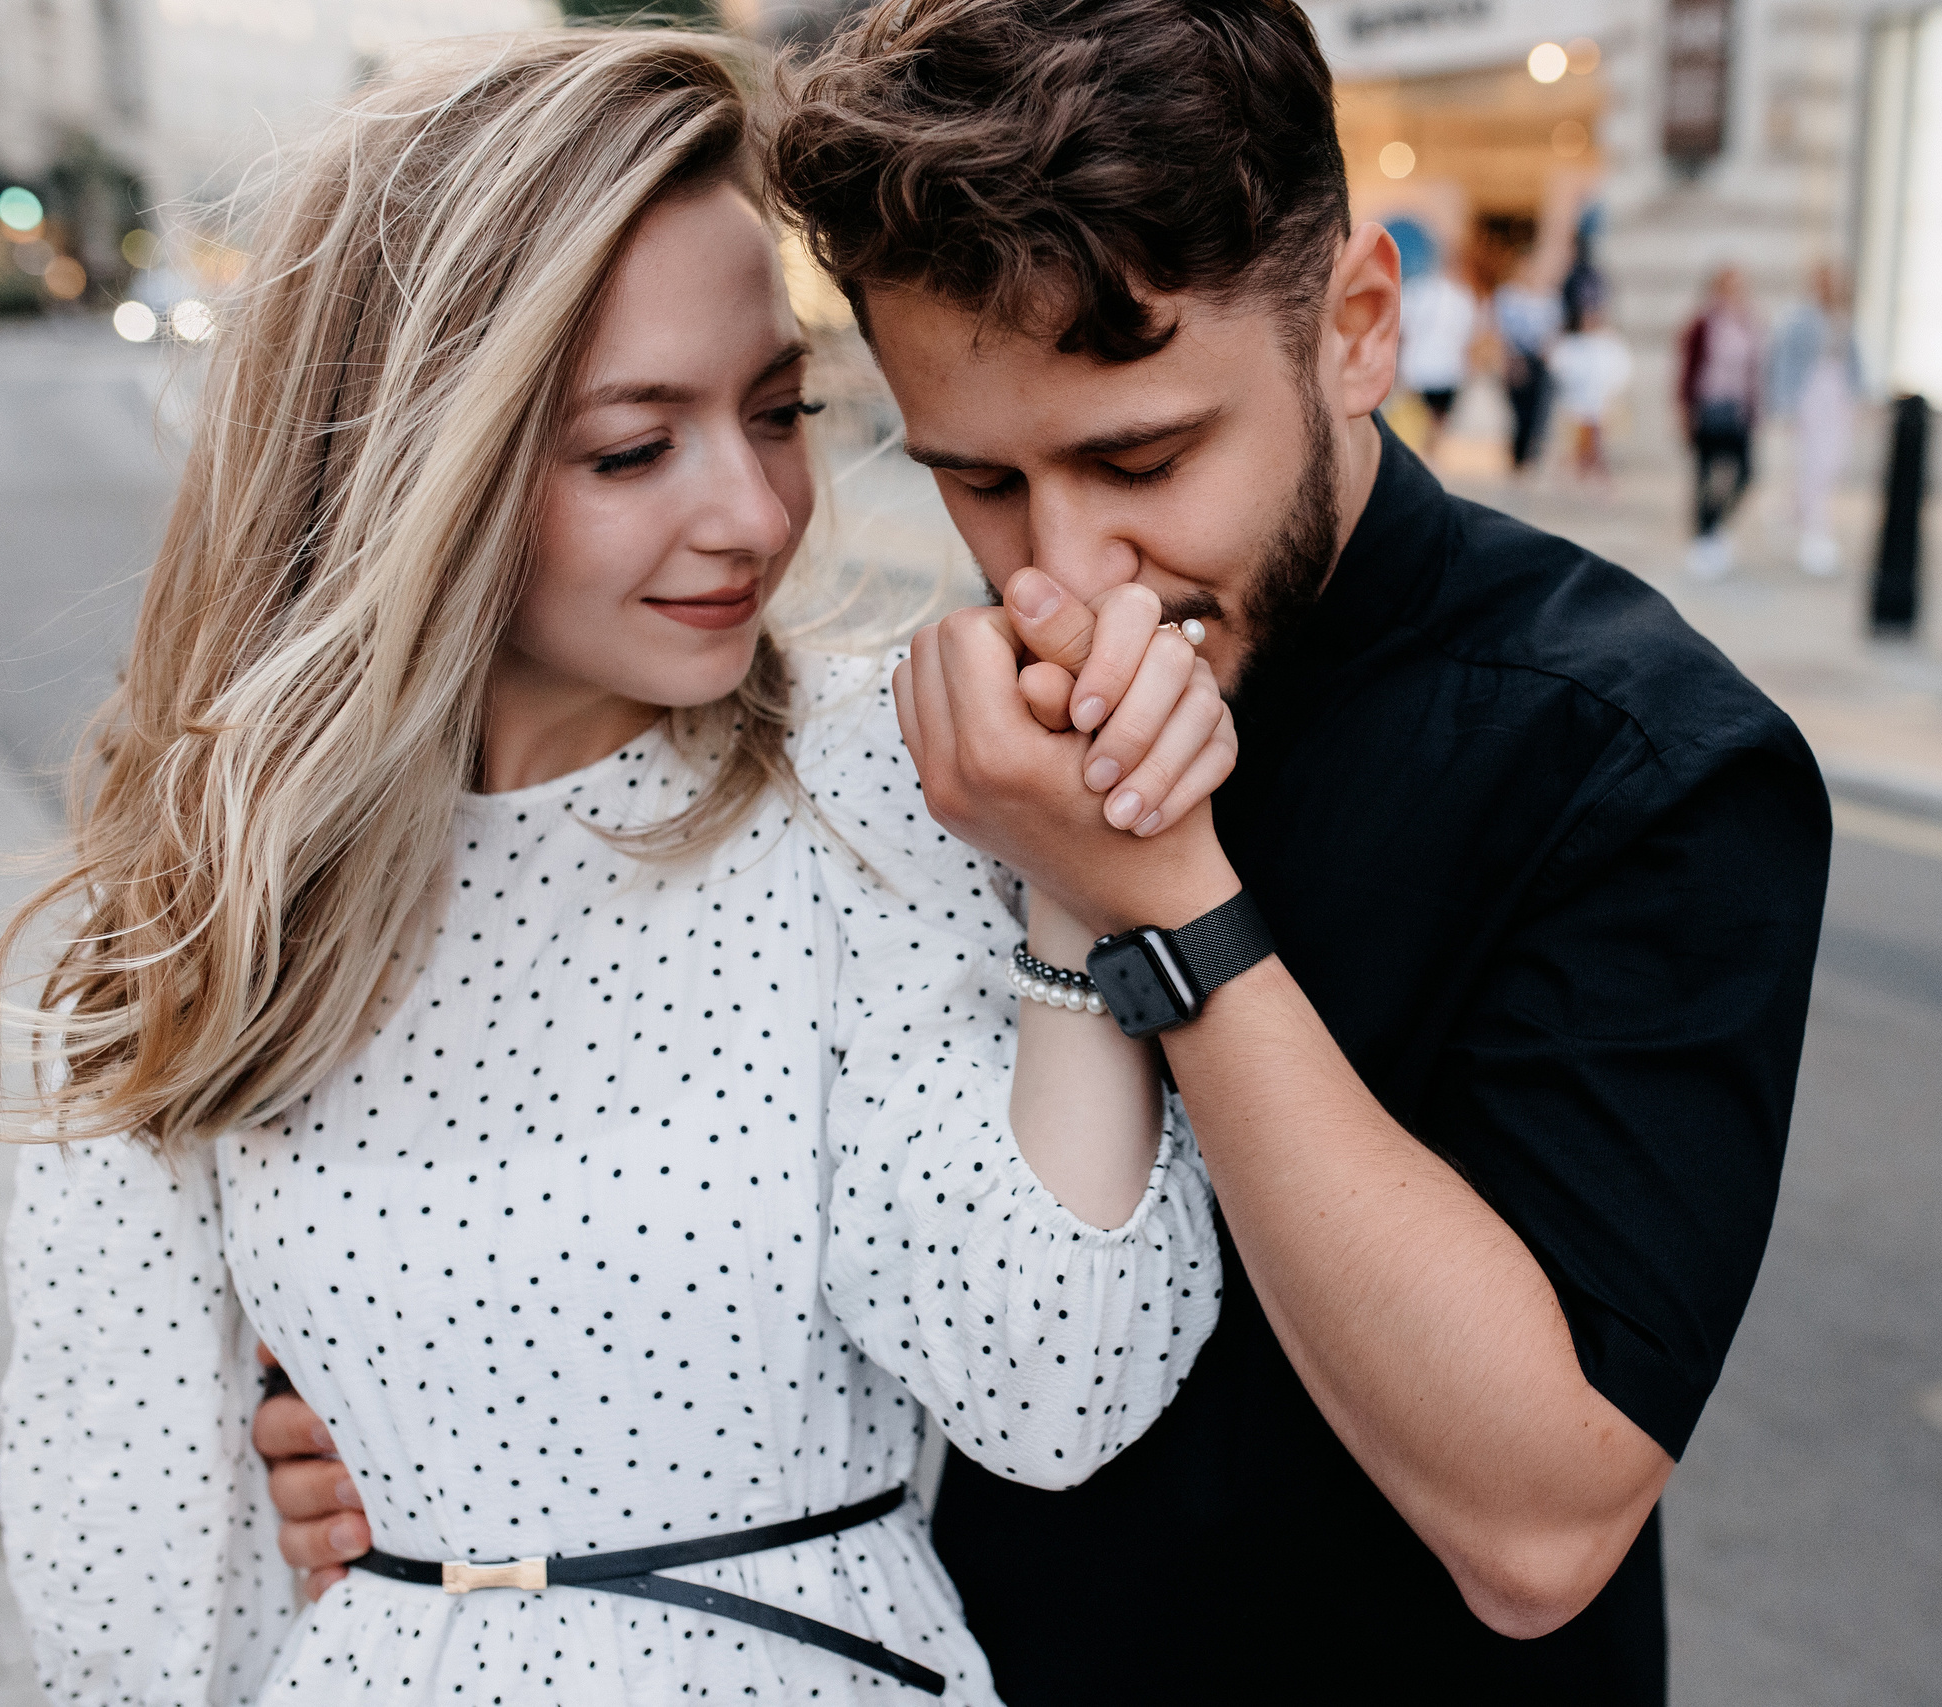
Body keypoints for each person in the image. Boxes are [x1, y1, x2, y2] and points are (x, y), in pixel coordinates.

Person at [266, 2, 1833, 1701]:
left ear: (1357, 328)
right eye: (981, 481)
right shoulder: (944, 742)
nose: (1063, 575)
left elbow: (1540, 1523)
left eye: (1139, 456)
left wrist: (1159, 900)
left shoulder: (1645, 762)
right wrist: (442, 1444)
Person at [0, 32, 1236, 1705]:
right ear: (421, 470)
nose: (756, 512)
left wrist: (1074, 877)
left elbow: (1056, 1386)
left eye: (780, 411)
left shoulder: (881, 783)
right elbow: (134, 1573)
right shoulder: (201, 898)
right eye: (633, 448)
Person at [1766, 261, 1862, 576]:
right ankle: (1815, 534)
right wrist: (1785, 405)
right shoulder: (1799, 319)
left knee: (1831, 463)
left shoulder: (1842, 318)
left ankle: (1796, 510)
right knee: (1812, 465)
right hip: (1811, 395)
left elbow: (1854, 362)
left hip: (1837, 397)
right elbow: (1785, 361)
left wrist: (1859, 396)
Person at [1678, 264, 1762, 578]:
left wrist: (1754, 409)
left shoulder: (1748, 323)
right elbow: (1688, 370)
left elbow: (1753, 371)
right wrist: (1685, 412)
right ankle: (1702, 536)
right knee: (1705, 475)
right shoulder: (1702, 324)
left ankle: (1715, 527)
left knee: (1746, 474)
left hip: (1737, 410)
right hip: (1709, 407)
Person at [1397, 254, 1476, 452]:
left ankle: (1425, 451)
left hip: (1424, 367)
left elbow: (1402, 330)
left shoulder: (1418, 290)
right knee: (1433, 419)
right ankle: (1429, 451)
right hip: (1442, 369)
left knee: (1421, 419)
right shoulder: (1462, 296)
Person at [1549, 300, 1635, 481]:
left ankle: (1597, 472)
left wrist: (1609, 392)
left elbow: (1621, 370)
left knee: (1598, 443)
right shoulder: (1571, 343)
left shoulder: (1610, 343)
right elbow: (1560, 366)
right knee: (1574, 443)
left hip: (1603, 403)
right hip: (1575, 403)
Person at [1493, 255, 1560, 472]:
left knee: (1538, 412)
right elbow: (1502, 331)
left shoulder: (1548, 297)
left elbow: (1554, 330)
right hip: (1517, 359)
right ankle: (1517, 458)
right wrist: (1509, 360)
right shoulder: (1508, 296)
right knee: (1519, 413)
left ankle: (1532, 459)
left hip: (1540, 360)